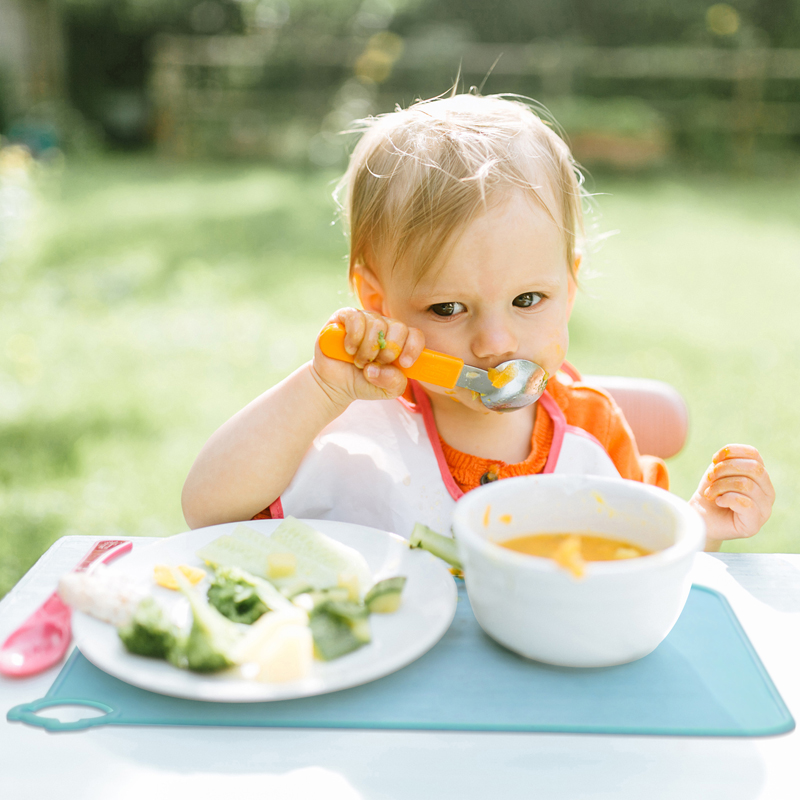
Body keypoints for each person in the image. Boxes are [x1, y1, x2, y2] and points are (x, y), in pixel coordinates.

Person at [181, 93, 774, 553]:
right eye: (448, 309)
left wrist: (703, 525)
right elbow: (206, 510)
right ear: (376, 301)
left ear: (569, 287)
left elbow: (644, 554)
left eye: (528, 300)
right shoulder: (349, 422)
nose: (495, 343)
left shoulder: (592, 432)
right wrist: (319, 389)